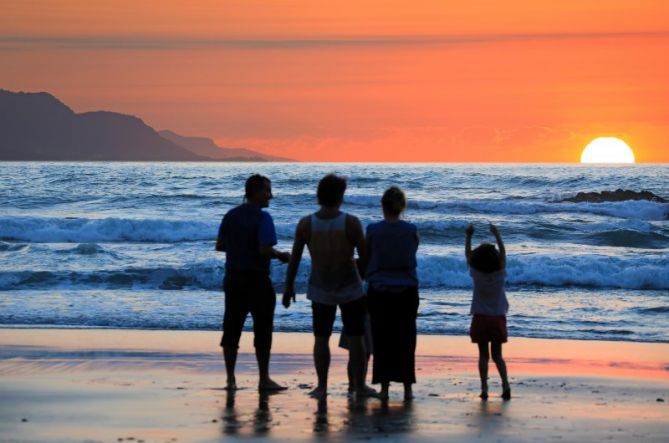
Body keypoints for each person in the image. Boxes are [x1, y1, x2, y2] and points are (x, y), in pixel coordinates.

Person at [282, 174, 370, 399]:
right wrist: (370, 282)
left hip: (321, 287)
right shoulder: (350, 222)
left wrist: (288, 285)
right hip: (351, 287)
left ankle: (322, 386)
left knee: (321, 338)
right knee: (357, 337)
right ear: (340, 195)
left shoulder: (307, 223)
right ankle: (358, 385)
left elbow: (295, 258)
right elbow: (366, 257)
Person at [215, 174, 291, 391]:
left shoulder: (230, 215)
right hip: (257, 279)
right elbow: (264, 249)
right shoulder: (263, 218)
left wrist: (240, 247)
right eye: (267, 191)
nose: (271, 195)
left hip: (233, 278)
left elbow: (220, 245)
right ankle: (263, 379)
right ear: (256, 192)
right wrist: (281, 255)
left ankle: (230, 379)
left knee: (231, 327)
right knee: (263, 329)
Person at [365, 186, 420, 401]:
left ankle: (385, 387)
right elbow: (411, 254)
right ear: (402, 207)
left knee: (382, 339)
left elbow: (367, 256)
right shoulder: (411, 230)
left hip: (379, 291)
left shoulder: (373, 230)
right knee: (406, 338)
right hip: (407, 290)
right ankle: (407, 387)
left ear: (382, 205)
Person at [465, 223, 511, 400]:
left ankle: (484, 389)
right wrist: (497, 234)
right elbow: (504, 253)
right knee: (498, 356)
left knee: (483, 355)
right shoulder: (500, 273)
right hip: (497, 318)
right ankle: (505, 385)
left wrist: (468, 236)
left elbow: (468, 255)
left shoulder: (476, 273)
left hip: (480, 318)